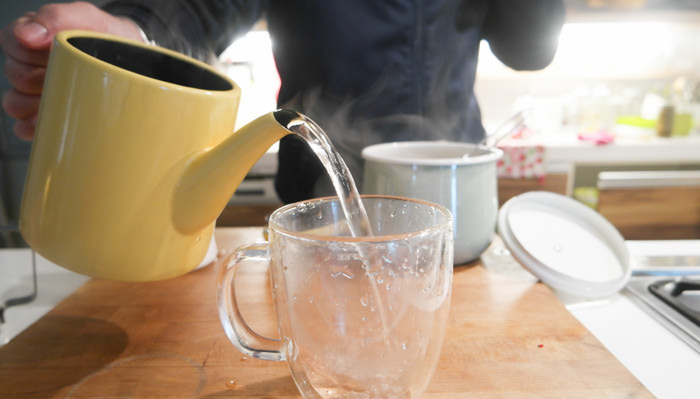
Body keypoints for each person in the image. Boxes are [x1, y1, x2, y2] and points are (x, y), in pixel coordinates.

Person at [1, 1, 566, 203]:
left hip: (452, 197)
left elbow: (529, 51)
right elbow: (199, 6)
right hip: (318, 195)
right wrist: (133, 31)